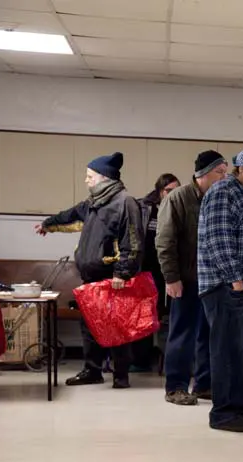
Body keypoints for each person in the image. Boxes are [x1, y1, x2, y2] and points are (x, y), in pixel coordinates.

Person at [36, 152, 144, 389]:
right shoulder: (93, 203)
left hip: (112, 277)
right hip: (89, 277)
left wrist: (122, 273)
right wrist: (47, 224)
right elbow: (70, 215)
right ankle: (92, 370)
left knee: (117, 326)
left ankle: (120, 375)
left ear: (104, 178)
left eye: (89, 176)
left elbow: (133, 242)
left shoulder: (125, 202)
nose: (86, 180)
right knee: (89, 324)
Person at [198, 148, 243, 433]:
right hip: (227, 288)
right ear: (241, 169)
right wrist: (235, 279)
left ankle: (239, 408)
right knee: (229, 351)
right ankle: (224, 413)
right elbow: (219, 238)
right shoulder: (223, 192)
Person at [156, 151, 227, 406]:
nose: (224, 177)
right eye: (219, 172)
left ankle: (204, 384)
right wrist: (171, 278)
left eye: (225, 172)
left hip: (212, 281)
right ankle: (175, 386)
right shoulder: (177, 199)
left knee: (208, 334)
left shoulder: (219, 199)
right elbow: (165, 242)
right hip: (184, 280)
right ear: (203, 174)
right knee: (182, 334)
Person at [130, 173, 180, 373]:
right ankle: (140, 359)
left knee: (165, 316)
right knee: (143, 317)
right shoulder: (145, 207)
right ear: (160, 191)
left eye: (176, 190)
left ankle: (168, 358)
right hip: (145, 270)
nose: (172, 194)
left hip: (167, 271)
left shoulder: (179, 207)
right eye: (169, 190)